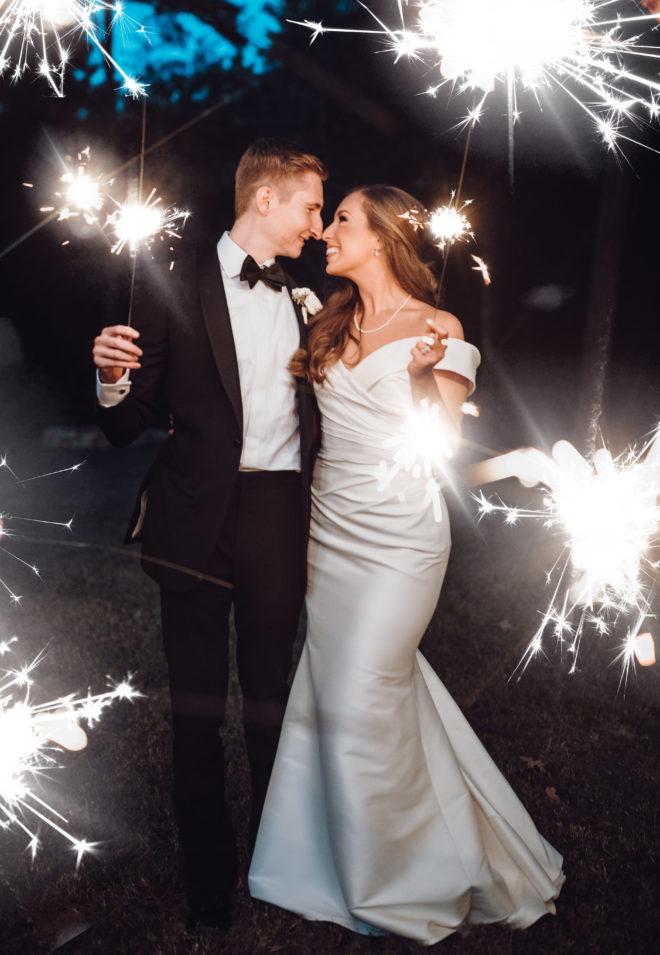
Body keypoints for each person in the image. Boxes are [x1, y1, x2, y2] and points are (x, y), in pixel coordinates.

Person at [248, 185, 564, 944]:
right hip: (330, 536)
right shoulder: (328, 321)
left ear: (383, 236)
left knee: (364, 686)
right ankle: (329, 858)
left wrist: (424, 374)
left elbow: (442, 449)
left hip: (400, 541)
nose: (326, 232)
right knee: (350, 691)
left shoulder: (438, 328)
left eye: (343, 220)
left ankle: (399, 879)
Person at [92, 139, 326, 932]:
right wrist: (111, 375)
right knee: (196, 709)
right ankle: (208, 875)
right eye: (309, 207)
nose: (317, 225)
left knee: (271, 700)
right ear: (265, 199)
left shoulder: (310, 300)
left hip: (276, 515)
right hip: (193, 517)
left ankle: (279, 858)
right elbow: (125, 426)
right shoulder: (172, 288)